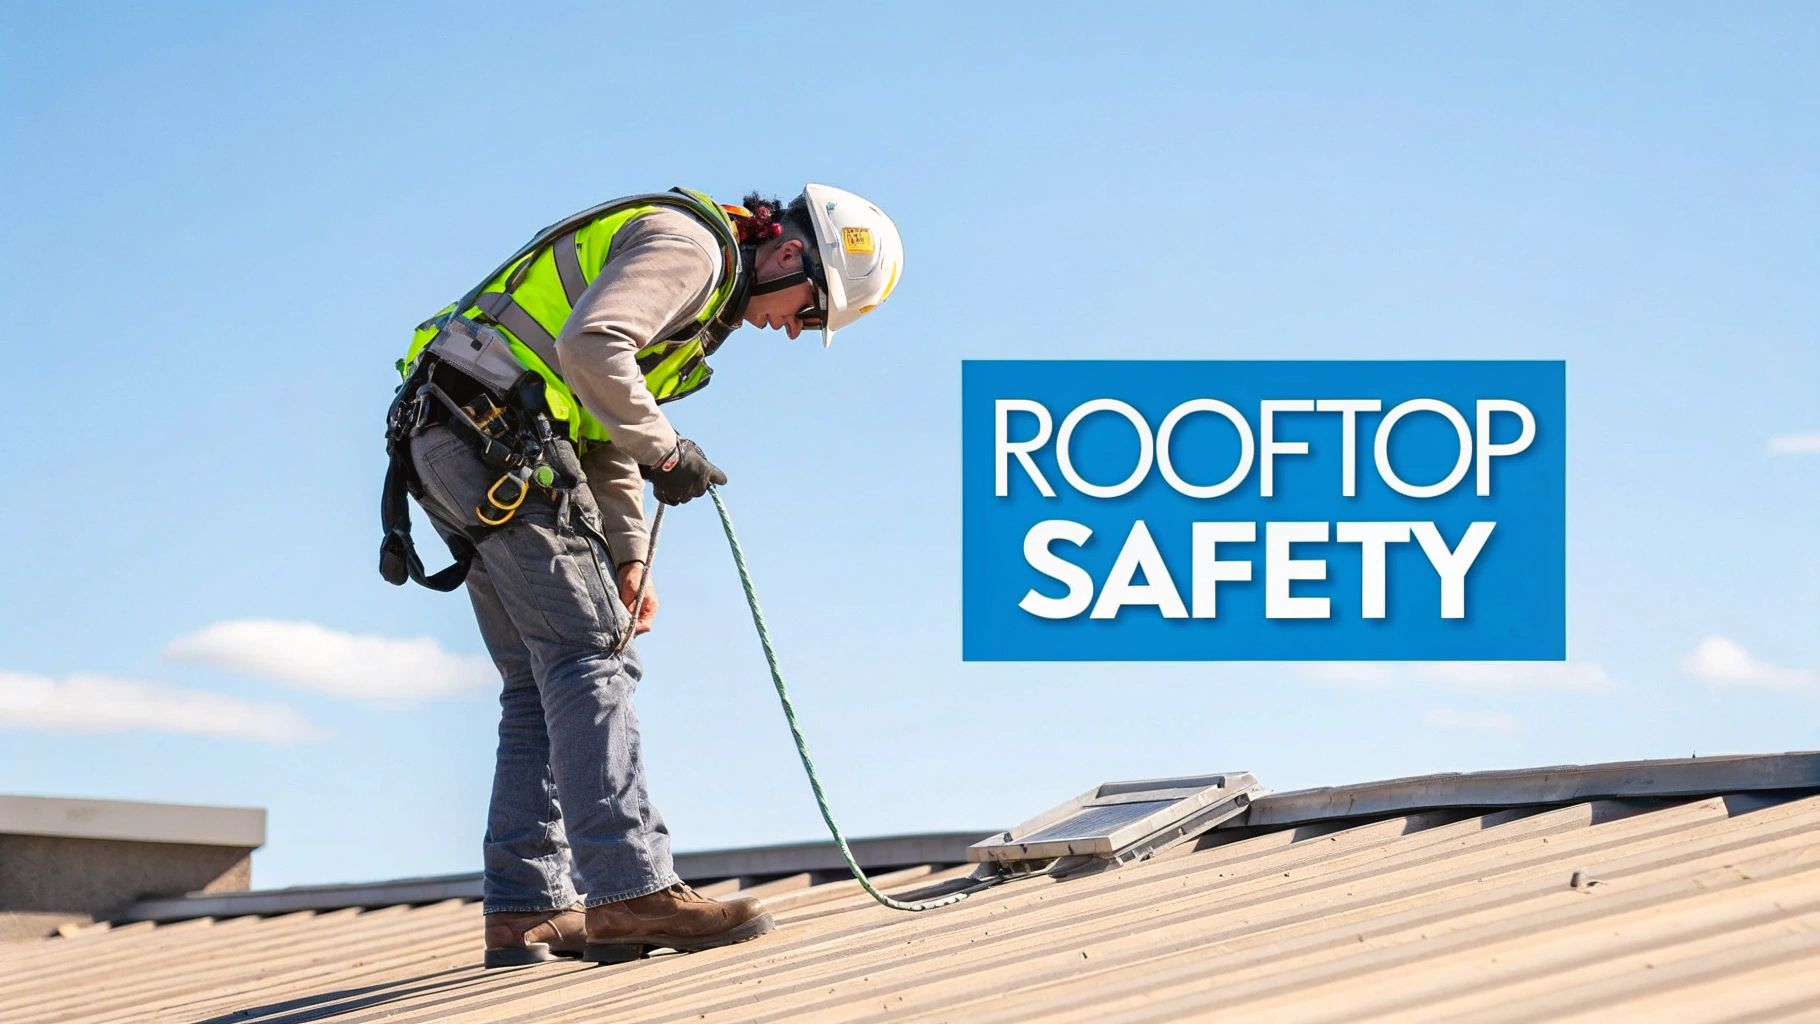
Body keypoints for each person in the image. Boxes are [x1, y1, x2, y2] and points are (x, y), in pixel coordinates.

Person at [378, 185, 904, 968]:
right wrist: (668, 450)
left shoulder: (698, 297)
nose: (794, 330)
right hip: (488, 437)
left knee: (540, 678)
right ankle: (630, 890)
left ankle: (527, 907)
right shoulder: (692, 250)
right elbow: (592, 349)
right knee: (590, 655)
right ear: (791, 255)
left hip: (455, 437)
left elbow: (601, 423)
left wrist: (630, 556)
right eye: (809, 311)